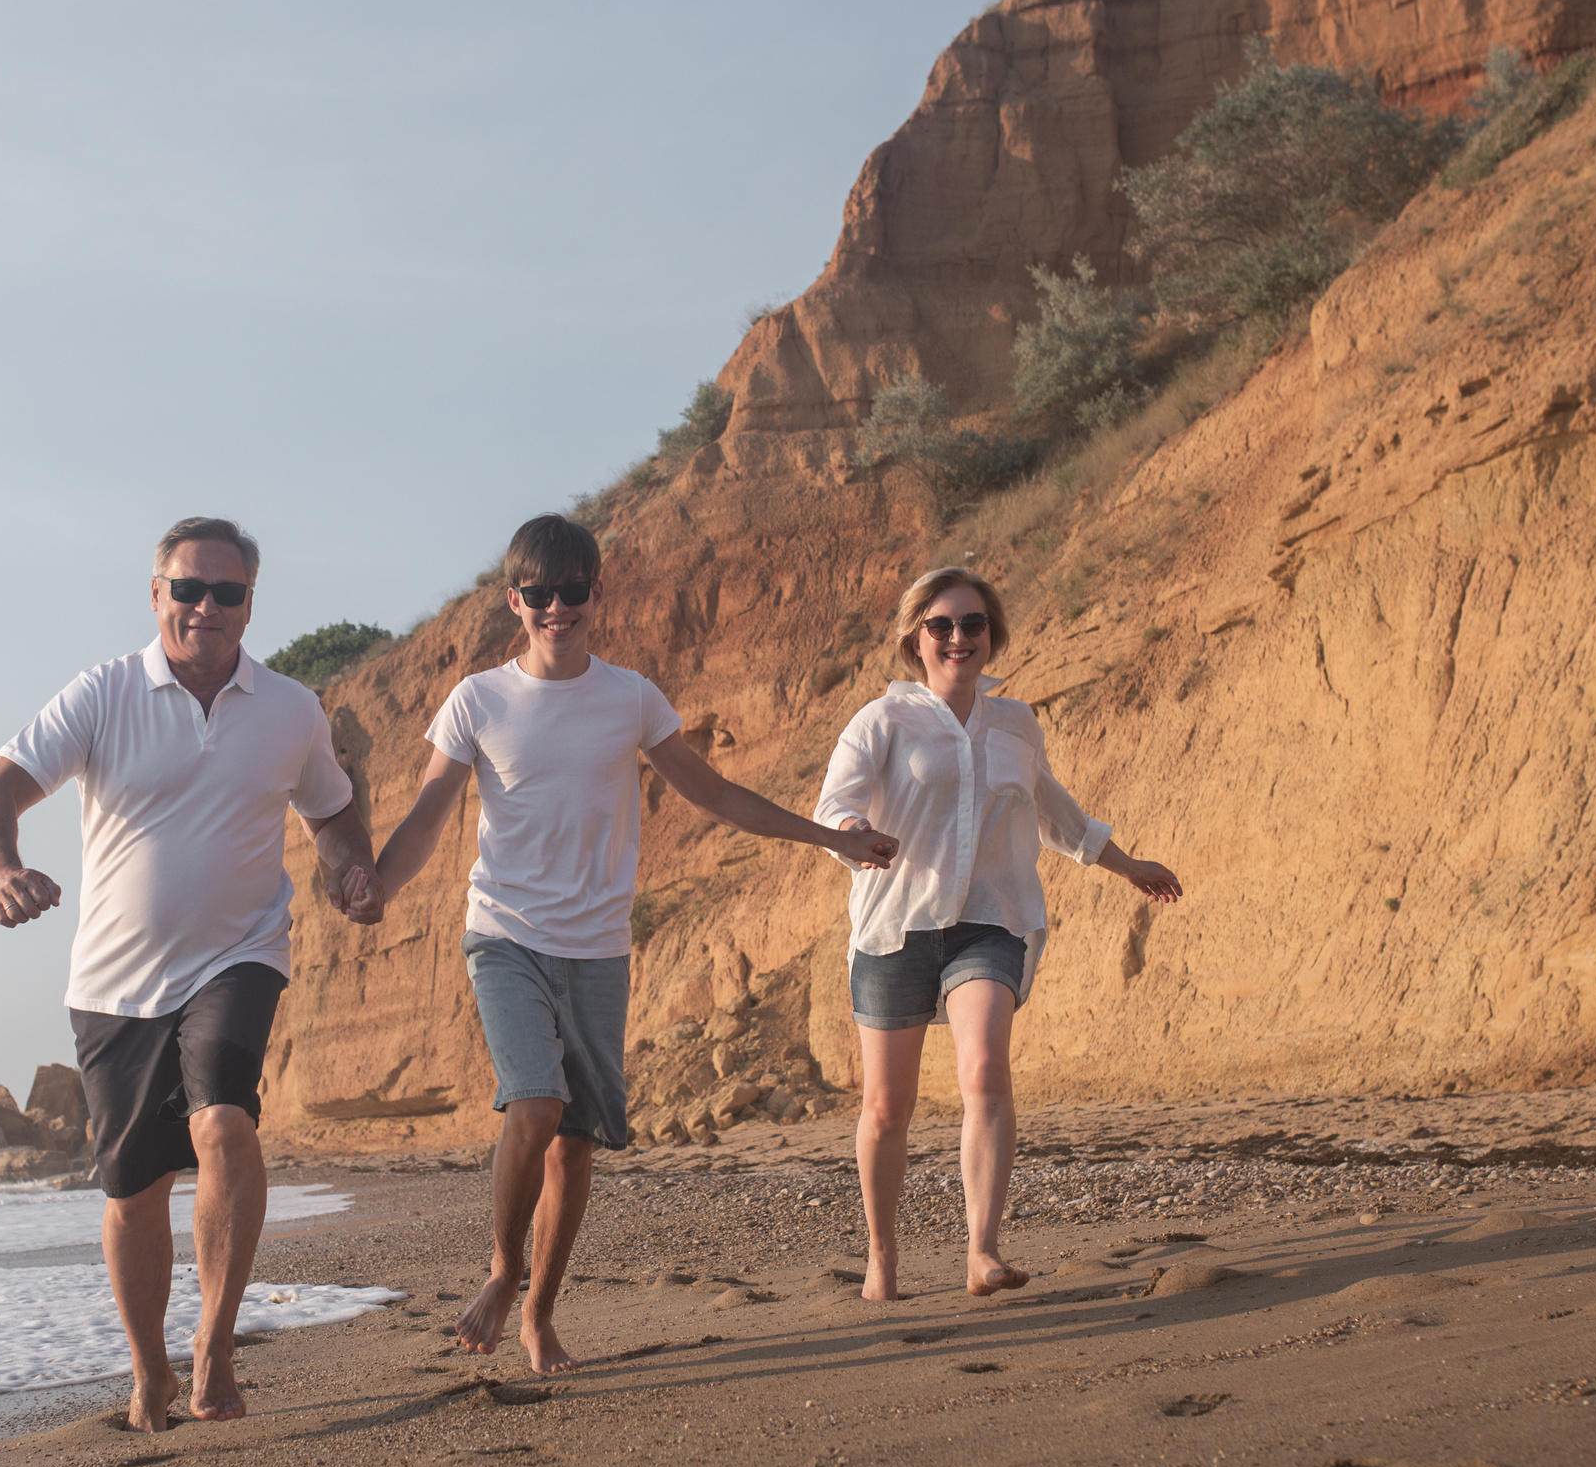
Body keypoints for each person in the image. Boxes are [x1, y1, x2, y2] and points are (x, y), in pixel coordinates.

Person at [367, 514, 898, 1373]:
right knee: (533, 1107)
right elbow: (430, 811)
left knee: (577, 1144)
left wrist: (829, 837)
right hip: (504, 933)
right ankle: (504, 1271)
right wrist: (375, 886)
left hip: (599, 947)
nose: (556, 608)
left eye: (572, 591)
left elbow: (716, 794)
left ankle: (541, 1313)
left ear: (596, 594)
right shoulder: (478, 699)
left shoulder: (631, 697)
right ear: (515, 600)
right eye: (538, 594)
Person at [0, 516, 383, 1431]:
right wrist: (1, 868)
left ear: (249, 604)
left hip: (239, 954)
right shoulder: (104, 693)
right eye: (187, 589)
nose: (205, 607)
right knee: (133, 1192)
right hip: (113, 983)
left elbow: (333, 813)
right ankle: (148, 1367)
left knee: (226, 1125)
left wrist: (350, 870)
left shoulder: (288, 708)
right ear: (156, 595)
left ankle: (216, 1341)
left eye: (226, 592)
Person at [814, 567, 1182, 1302]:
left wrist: (1126, 862)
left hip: (990, 918)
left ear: (992, 634)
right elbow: (834, 805)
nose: (958, 637)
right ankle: (882, 1258)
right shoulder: (881, 721)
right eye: (941, 625)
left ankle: (983, 1250)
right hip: (896, 924)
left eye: (973, 624)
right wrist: (856, 832)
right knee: (888, 1105)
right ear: (914, 638)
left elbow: (1055, 811)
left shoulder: (1015, 721)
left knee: (985, 1069)